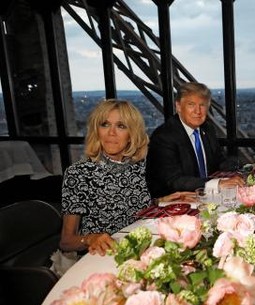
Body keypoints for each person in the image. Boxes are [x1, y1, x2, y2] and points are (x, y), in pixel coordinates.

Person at [60, 99, 194, 257]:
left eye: (121, 126)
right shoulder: (78, 173)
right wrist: (90, 238)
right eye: (105, 124)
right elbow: (66, 241)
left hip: (141, 249)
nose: (111, 132)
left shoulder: (139, 166)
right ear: (97, 131)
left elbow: (130, 209)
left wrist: (161, 201)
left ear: (131, 134)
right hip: (104, 256)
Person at [146, 82, 245, 198]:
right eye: (191, 104)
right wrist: (217, 184)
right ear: (178, 106)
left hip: (207, 197)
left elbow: (220, 161)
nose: (198, 111)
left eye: (202, 105)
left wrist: (247, 167)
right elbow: (174, 181)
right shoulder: (164, 136)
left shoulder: (207, 129)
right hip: (177, 203)